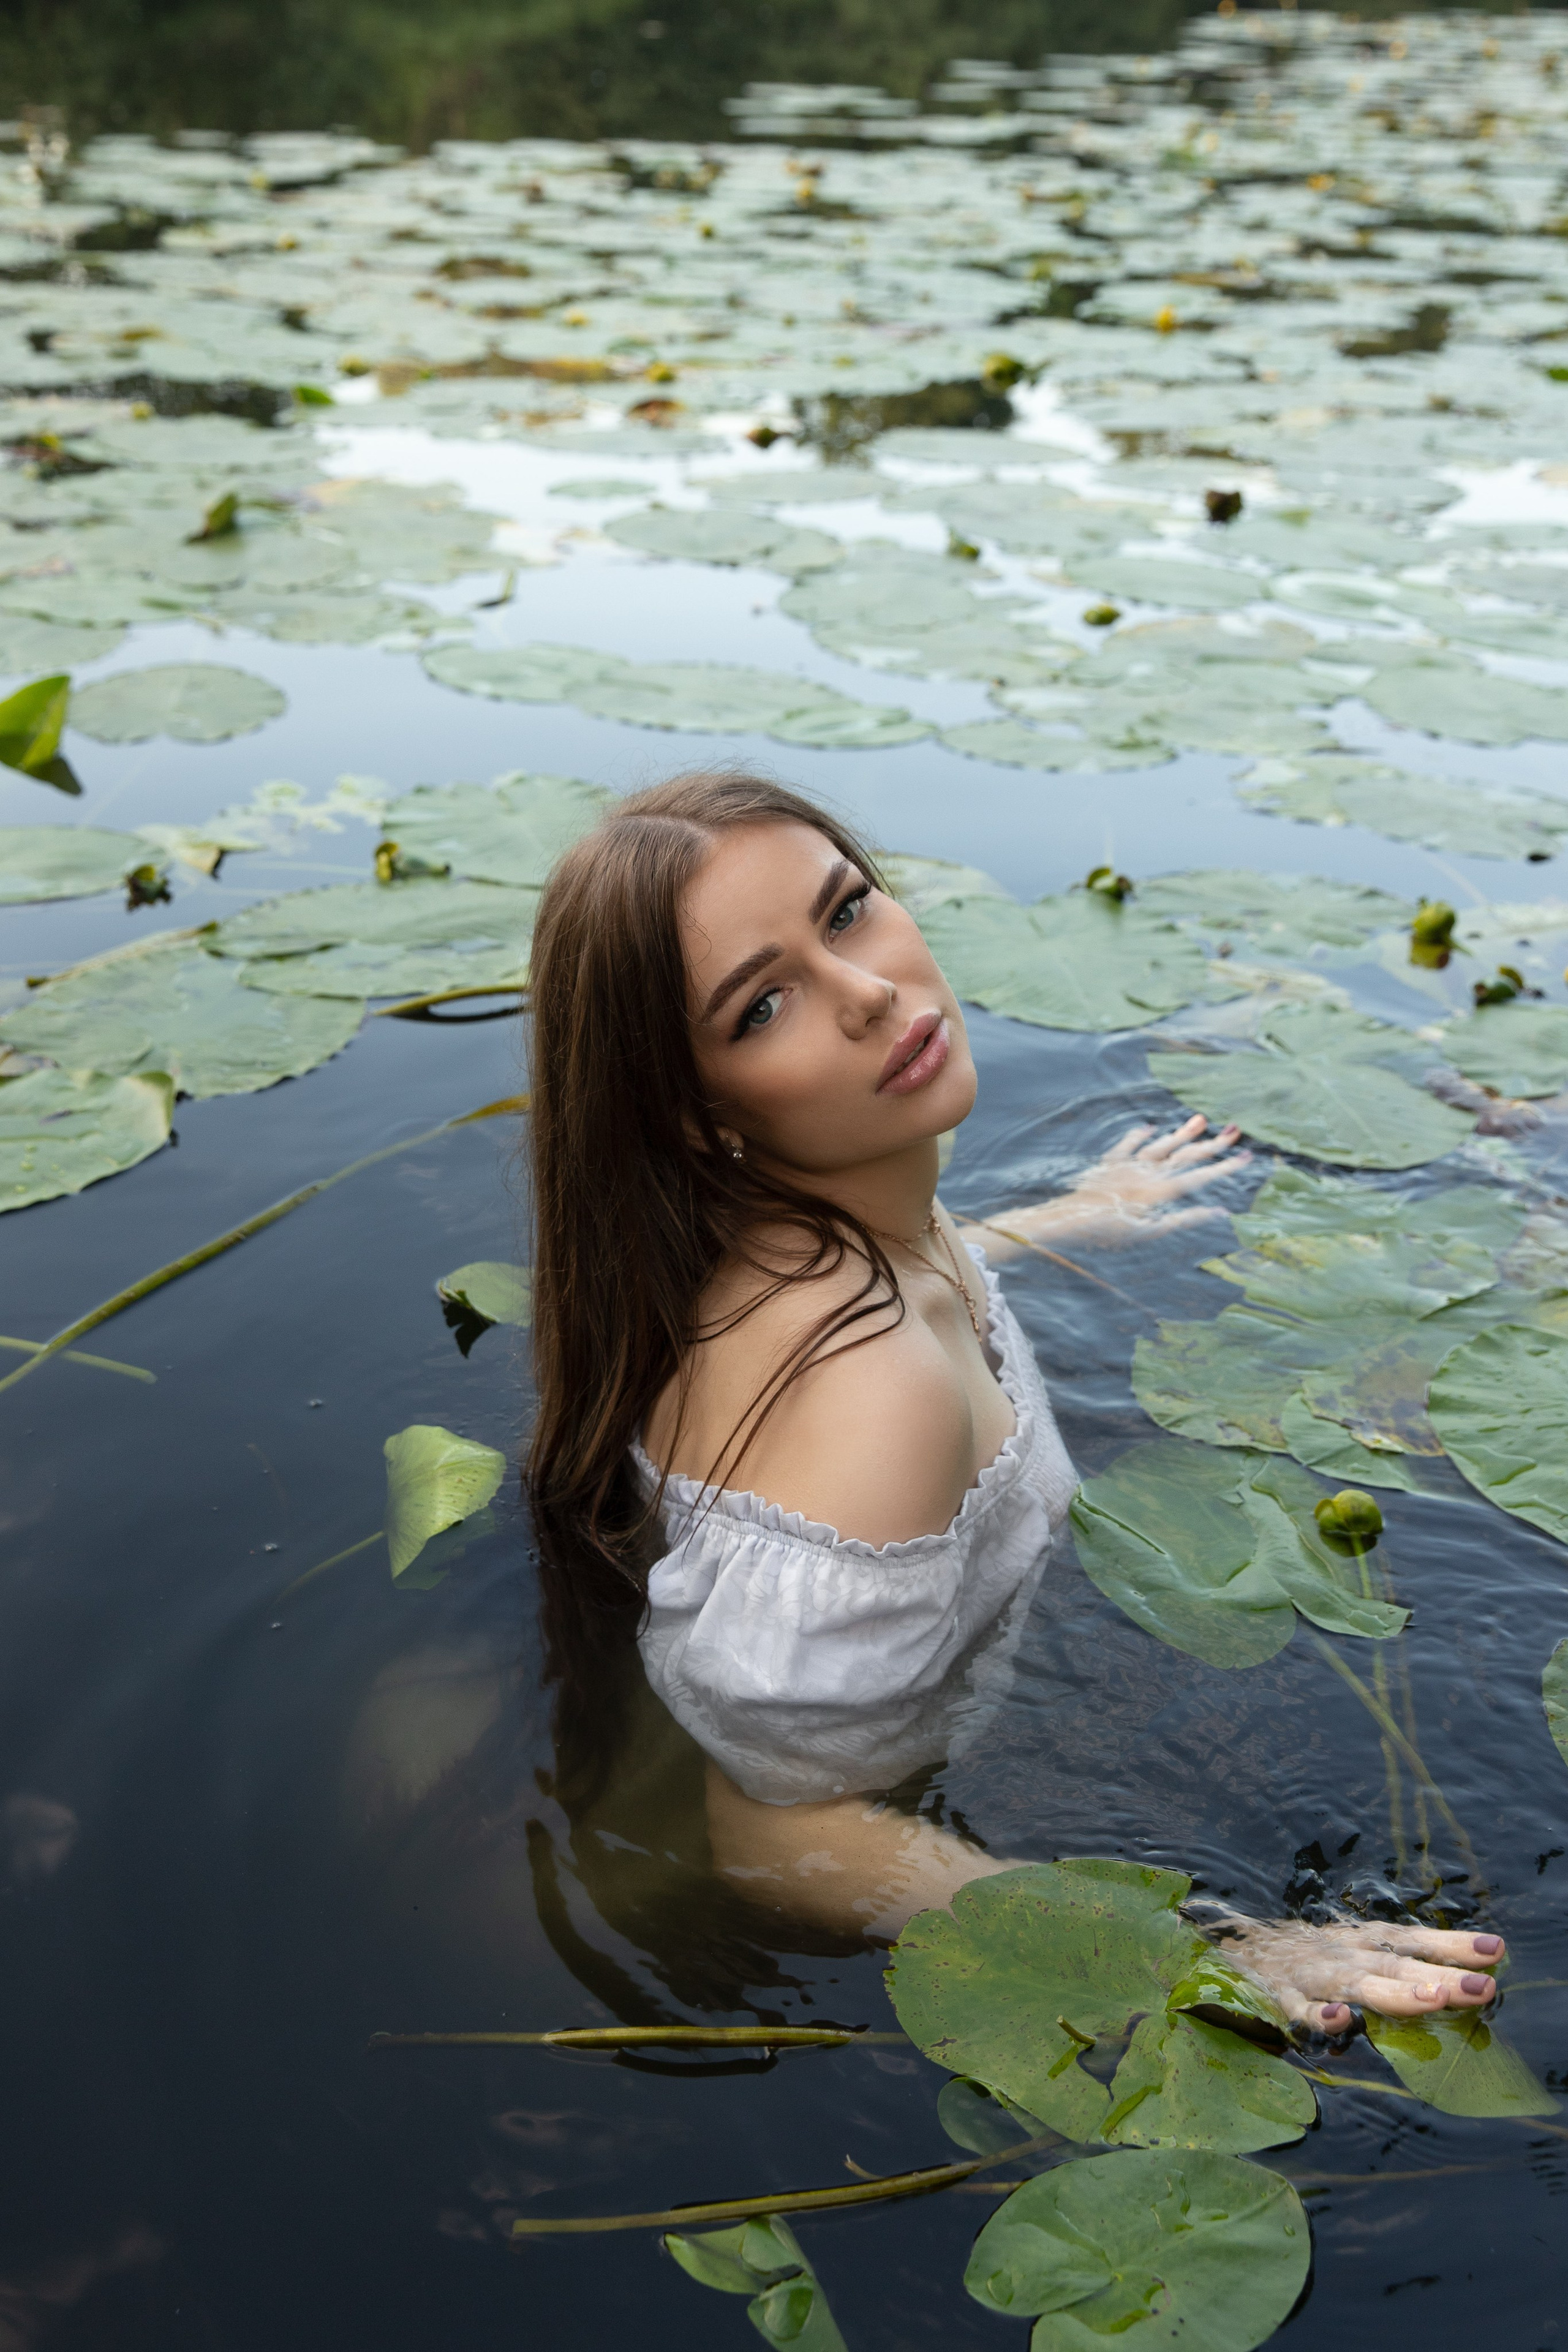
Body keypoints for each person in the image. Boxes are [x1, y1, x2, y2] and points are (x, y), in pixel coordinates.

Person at [522, 768, 1506, 2034]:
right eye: (763, 1005)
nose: (867, 991)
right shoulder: (879, 1399)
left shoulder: (791, 1233)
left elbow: (910, 1267)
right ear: (694, 1111)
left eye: (845, 911)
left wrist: (1069, 1216)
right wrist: (1196, 1955)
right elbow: (772, 1832)